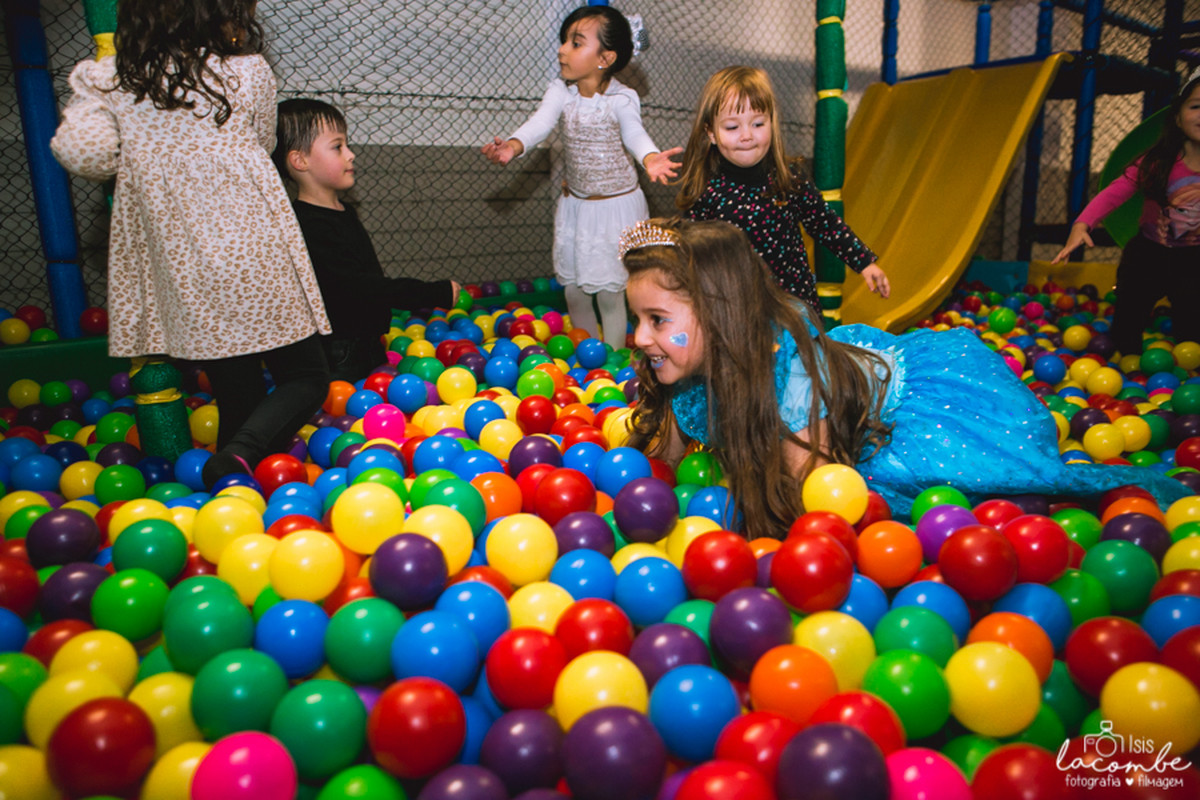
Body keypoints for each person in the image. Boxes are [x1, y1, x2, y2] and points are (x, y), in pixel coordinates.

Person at [621, 218, 1190, 538]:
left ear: (721, 315)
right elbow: (664, 464)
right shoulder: (681, 368)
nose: (640, 338)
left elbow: (811, 493)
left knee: (984, 487)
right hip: (825, 364)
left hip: (896, 399)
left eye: (657, 321)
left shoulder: (790, 370)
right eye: (637, 319)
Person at [50, 0, 331, 490]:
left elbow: (86, 154)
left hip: (181, 258)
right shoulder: (246, 70)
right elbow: (263, 140)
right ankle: (241, 455)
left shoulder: (113, 76)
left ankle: (230, 491)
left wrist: (133, 144)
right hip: (254, 242)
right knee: (305, 374)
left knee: (234, 385)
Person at [482, 5, 681, 350]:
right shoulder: (560, 92)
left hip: (615, 211)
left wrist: (649, 158)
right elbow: (540, 124)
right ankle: (589, 354)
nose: (562, 49)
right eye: (564, 41)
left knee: (609, 293)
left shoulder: (621, 98)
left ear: (604, 58)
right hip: (577, 208)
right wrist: (513, 146)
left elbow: (634, 133)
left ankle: (616, 359)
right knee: (575, 291)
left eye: (575, 43)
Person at [274, 99, 461, 382]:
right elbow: (360, 287)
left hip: (367, 344)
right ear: (300, 161)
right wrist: (431, 293)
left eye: (347, 145)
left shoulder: (343, 212)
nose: (351, 155)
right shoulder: (309, 225)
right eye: (337, 147)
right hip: (341, 353)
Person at [676, 66, 889, 313]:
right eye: (732, 127)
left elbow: (824, 222)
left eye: (757, 123)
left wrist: (864, 262)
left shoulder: (787, 177)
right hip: (735, 307)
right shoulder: (705, 188)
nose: (747, 136)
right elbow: (690, 249)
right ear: (711, 133)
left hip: (793, 304)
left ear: (772, 123)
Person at [1053, 69, 1200, 355]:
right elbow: (1117, 190)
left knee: (1191, 324)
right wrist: (1083, 224)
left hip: (1193, 260)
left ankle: (1189, 374)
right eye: (1196, 106)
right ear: (1178, 117)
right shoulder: (1159, 162)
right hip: (1148, 254)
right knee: (1129, 315)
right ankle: (1126, 358)